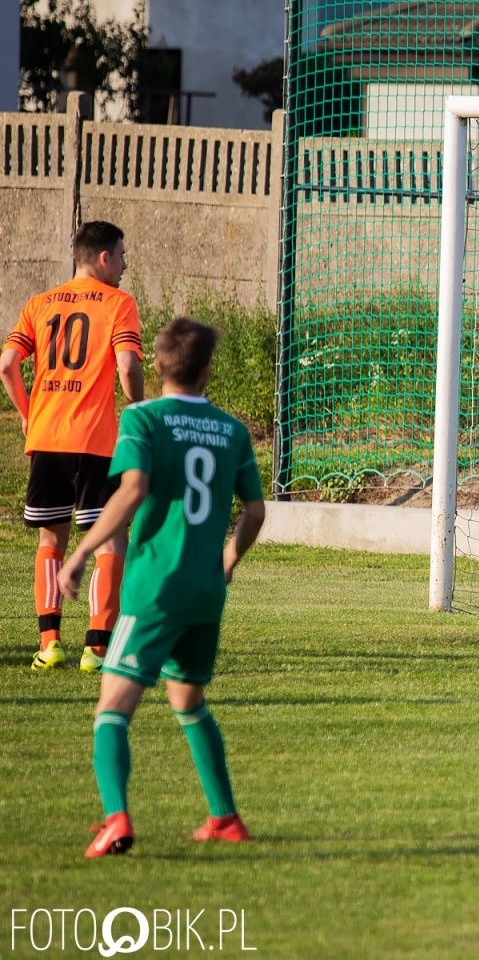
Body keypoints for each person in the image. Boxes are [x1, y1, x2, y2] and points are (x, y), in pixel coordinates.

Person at [59, 317, 267, 858]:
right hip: (205, 591)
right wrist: (228, 560)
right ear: (208, 369)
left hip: (155, 588)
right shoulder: (232, 430)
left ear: (156, 363)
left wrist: (80, 552)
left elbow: (133, 490)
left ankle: (116, 820)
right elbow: (255, 511)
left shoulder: (143, 418)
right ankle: (225, 818)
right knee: (188, 699)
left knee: (112, 708)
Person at [1, 221, 144, 672]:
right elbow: (127, 366)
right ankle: (97, 650)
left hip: (46, 438)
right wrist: (138, 408)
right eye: (121, 256)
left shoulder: (39, 303)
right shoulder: (119, 304)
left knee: (51, 540)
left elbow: (7, 364)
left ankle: (50, 646)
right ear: (103, 258)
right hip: (94, 440)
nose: (124, 265)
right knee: (110, 540)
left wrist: (27, 413)